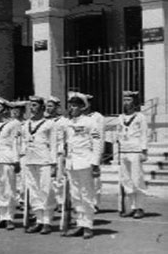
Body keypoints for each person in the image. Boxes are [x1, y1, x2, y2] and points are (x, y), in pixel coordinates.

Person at [63, 92, 102, 239]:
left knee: (87, 194)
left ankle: (88, 226)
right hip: (72, 163)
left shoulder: (90, 122)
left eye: (75, 106)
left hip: (85, 162)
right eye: (70, 105)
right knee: (76, 195)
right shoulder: (69, 123)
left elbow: (97, 142)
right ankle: (80, 223)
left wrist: (95, 163)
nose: (72, 108)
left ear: (82, 107)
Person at [22, 96, 57, 235]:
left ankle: (47, 221)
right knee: (34, 191)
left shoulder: (49, 124)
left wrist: (53, 163)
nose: (32, 108)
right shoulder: (26, 124)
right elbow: (24, 143)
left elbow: (53, 144)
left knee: (46, 190)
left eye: (35, 105)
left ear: (42, 108)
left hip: (44, 161)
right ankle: (39, 220)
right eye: (31, 105)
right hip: (30, 160)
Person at [0, 98, 21, 230]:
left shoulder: (13, 124)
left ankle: (10, 217)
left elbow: (16, 143)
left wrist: (16, 160)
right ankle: (2, 216)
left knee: (8, 188)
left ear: (5, 110)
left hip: (7, 158)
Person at [117, 91, 148, 219]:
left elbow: (144, 134)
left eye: (129, 100)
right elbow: (118, 134)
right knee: (126, 180)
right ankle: (132, 207)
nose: (126, 102)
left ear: (134, 102)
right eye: (124, 99)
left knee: (137, 179)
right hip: (124, 151)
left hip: (135, 151)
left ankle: (139, 207)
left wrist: (144, 151)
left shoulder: (140, 117)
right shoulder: (120, 117)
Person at [45, 96, 68, 209]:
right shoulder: (45, 121)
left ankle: (61, 201)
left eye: (50, 106)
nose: (48, 108)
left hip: (59, 151)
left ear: (57, 107)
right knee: (48, 179)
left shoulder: (63, 121)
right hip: (47, 152)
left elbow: (66, 138)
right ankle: (51, 200)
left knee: (59, 178)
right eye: (47, 106)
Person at [84, 94, 105, 213]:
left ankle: (95, 203)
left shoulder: (98, 117)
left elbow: (100, 136)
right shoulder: (79, 118)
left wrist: (99, 154)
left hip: (93, 151)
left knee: (95, 179)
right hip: (82, 152)